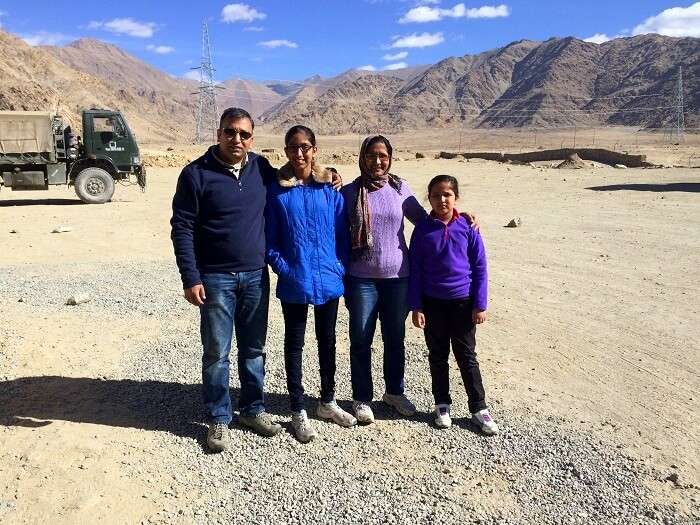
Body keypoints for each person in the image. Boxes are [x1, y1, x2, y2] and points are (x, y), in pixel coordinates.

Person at [265, 125, 356, 442]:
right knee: (295, 343)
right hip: (295, 280)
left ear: (315, 149)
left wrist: (339, 265)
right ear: (286, 151)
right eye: (293, 147)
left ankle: (328, 402)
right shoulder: (277, 191)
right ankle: (297, 408)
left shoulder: (330, 189)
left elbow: (343, 235)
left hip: (329, 279)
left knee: (328, 341)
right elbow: (270, 240)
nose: (299, 152)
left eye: (305, 146)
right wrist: (285, 269)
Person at [408, 175, 498, 434]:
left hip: (463, 304)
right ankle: (442, 404)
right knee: (437, 356)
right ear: (429, 199)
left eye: (447, 194)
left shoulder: (468, 227)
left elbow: (480, 267)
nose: (442, 200)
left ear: (455, 197)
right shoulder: (423, 229)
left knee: (467, 357)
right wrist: (417, 306)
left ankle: (479, 408)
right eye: (436, 195)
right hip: (433, 303)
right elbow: (416, 270)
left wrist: (480, 304)